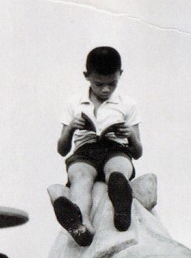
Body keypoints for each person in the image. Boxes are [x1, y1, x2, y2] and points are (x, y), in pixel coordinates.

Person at [53, 46, 142, 246]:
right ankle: (80, 223)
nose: (105, 89)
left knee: (117, 170)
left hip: (116, 149)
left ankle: (121, 207)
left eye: (112, 84)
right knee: (80, 177)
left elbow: (138, 153)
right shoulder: (74, 103)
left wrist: (131, 135)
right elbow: (62, 150)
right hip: (85, 152)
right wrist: (70, 130)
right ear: (87, 76)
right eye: (98, 84)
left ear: (120, 74)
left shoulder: (128, 104)